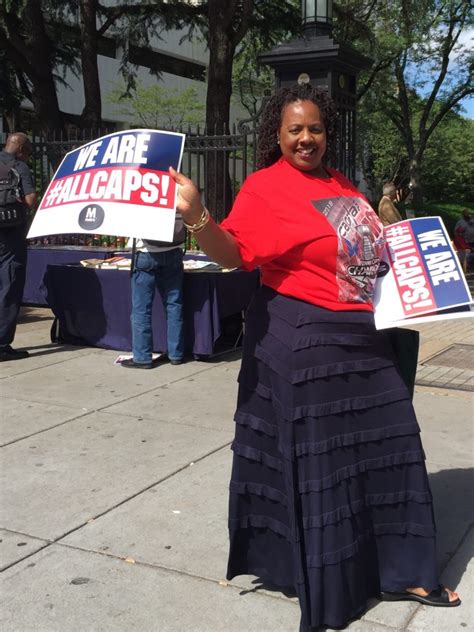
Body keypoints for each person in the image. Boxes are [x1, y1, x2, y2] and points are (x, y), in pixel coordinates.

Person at [170, 83, 460, 631]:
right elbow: (233, 255)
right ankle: (333, 585)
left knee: (391, 447)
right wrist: (197, 215)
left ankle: (404, 570)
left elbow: (362, 251)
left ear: (327, 133)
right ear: (276, 136)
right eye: (295, 130)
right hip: (305, 341)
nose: (306, 138)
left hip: (364, 338)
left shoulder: (341, 184)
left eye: (315, 129)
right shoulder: (264, 188)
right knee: (327, 467)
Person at [122, 213, 185, 369]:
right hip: (174, 249)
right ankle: (175, 354)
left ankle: (142, 357)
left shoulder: (141, 189)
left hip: (146, 252)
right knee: (174, 304)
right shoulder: (179, 189)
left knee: (142, 309)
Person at [0, 132, 36, 362]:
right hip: (11, 236)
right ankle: (2, 344)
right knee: (9, 286)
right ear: (21, 148)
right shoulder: (19, 166)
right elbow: (30, 199)